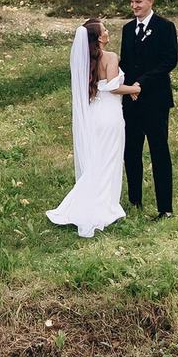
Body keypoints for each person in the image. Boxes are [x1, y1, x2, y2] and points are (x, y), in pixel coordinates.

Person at [45, 17, 128, 237]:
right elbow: (113, 86)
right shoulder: (110, 57)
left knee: (98, 160)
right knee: (108, 160)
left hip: (94, 115)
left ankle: (93, 203)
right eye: (104, 30)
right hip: (109, 115)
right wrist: (135, 89)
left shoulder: (87, 61)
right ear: (99, 38)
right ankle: (103, 207)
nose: (107, 32)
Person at [116, 0, 175, 217]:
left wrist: (141, 84)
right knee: (131, 152)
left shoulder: (165, 27)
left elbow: (169, 60)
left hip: (156, 101)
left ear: (150, 1)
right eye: (132, 2)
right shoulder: (127, 29)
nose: (134, 6)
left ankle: (165, 208)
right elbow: (125, 62)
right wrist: (124, 85)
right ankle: (135, 202)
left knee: (159, 152)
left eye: (138, 2)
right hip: (131, 102)